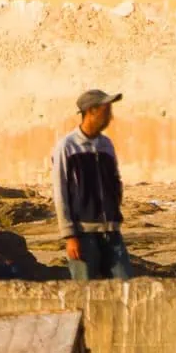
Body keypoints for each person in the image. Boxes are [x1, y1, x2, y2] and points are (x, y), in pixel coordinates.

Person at [52, 88, 132, 281]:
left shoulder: (107, 145)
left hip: (111, 231)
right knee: (84, 293)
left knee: (125, 288)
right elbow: (60, 192)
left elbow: (115, 181)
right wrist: (70, 235)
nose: (110, 117)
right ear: (91, 111)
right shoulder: (66, 147)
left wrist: (114, 211)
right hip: (83, 234)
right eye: (106, 111)